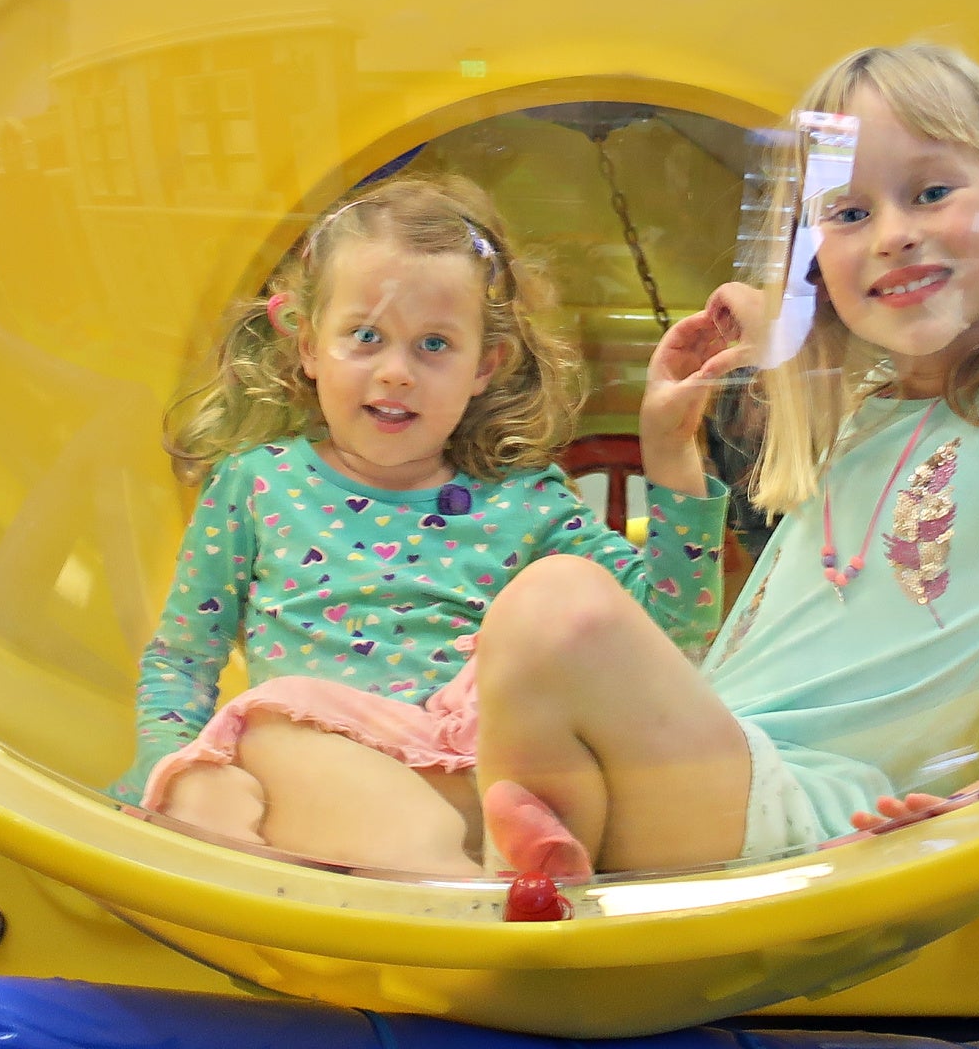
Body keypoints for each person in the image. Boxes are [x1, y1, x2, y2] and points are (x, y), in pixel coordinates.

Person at [467, 43, 979, 880]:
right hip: (718, 777)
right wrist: (672, 442)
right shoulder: (866, 418)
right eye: (848, 216)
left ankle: (530, 897)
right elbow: (698, 637)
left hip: (819, 813)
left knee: (554, 602)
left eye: (930, 192)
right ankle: (542, 888)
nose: (894, 235)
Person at [112, 174, 728, 874]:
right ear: (310, 346)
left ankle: (503, 864)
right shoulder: (259, 484)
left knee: (514, 694)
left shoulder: (524, 503)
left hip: (472, 765)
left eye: (434, 345)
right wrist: (167, 770)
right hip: (329, 771)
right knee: (263, 725)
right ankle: (488, 885)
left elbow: (673, 637)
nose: (397, 372)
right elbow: (185, 659)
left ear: (484, 366)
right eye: (365, 337)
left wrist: (671, 455)